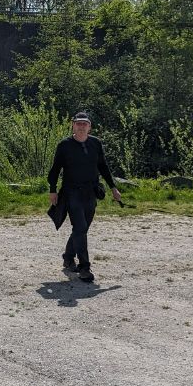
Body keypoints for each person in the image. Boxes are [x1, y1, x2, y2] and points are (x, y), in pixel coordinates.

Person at [47, 111, 122, 283]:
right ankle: (84, 268)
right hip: (72, 192)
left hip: (91, 192)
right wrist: (53, 190)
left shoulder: (96, 143)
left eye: (84, 124)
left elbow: (103, 166)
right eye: (78, 123)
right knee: (80, 227)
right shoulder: (64, 145)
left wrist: (113, 188)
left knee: (82, 228)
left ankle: (68, 257)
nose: (81, 126)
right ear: (73, 125)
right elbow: (55, 169)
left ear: (89, 127)